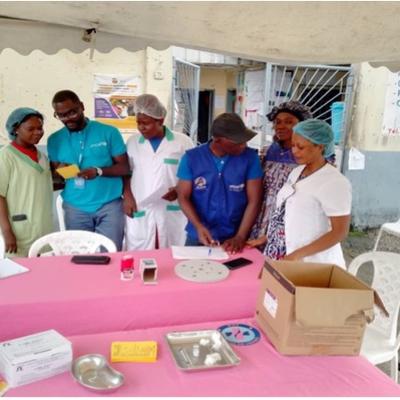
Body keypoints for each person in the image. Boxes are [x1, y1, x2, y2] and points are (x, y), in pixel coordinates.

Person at [47, 90, 129, 250]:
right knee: (80, 257)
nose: (68, 119)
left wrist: (98, 171)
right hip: (75, 207)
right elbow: (56, 173)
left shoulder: (108, 132)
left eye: (72, 112)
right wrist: (59, 171)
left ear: (82, 107)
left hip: (109, 204)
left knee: (110, 253)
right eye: (61, 115)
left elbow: (124, 167)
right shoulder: (54, 140)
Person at [264, 119, 351, 268]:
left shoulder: (335, 182)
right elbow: (286, 211)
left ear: (320, 147)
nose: (294, 151)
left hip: (314, 263)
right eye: (293, 145)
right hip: (282, 254)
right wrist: (268, 237)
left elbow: (340, 232)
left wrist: (298, 254)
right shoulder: (297, 171)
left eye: (301, 147)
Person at [177, 113, 263, 254]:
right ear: (217, 140)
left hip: (235, 236)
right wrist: (198, 226)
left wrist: (240, 236)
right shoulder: (191, 158)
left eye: (245, 140)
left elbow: (254, 200)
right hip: (198, 235)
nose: (243, 145)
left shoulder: (250, 158)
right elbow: (183, 197)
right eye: (237, 142)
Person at [123, 94, 194, 250]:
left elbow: (194, 173)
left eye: (146, 123)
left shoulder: (183, 142)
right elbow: (126, 173)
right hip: (140, 204)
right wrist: (127, 197)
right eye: (138, 123)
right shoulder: (132, 142)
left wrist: (178, 189)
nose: (141, 127)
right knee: (139, 250)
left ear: (160, 121)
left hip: (172, 205)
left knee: (173, 249)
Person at [248, 101, 313, 247]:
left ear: (302, 125)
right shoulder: (268, 151)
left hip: (292, 215)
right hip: (263, 213)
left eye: (289, 122)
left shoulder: (308, 156)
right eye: (277, 122)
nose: (281, 126)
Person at [0, 108, 53, 257]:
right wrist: (6, 232)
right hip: (18, 230)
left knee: (42, 272)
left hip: (43, 226)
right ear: (16, 129)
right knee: (19, 273)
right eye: (31, 129)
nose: (38, 132)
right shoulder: (6, 156)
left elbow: (39, 184)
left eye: (40, 128)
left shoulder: (42, 156)